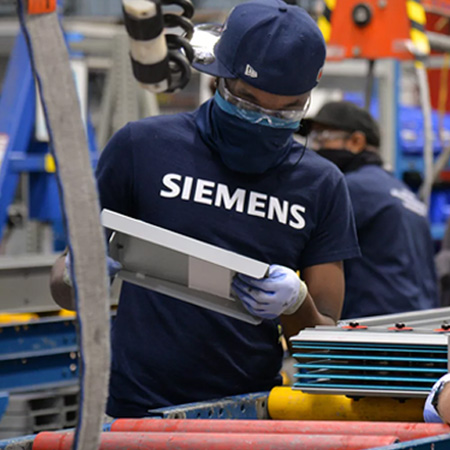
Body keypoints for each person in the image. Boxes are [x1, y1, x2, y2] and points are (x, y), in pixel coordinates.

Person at [50, 0, 360, 418]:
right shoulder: (142, 148)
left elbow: (323, 349)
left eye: (285, 110)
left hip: (244, 415)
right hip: (132, 412)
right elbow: (64, 288)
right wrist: (77, 273)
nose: (264, 121)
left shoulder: (322, 185)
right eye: (248, 103)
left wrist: (296, 301)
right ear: (219, 79)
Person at [300, 100, 439, 319]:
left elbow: (300, 242)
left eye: (322, 137)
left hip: (375, 331)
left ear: (356, 141)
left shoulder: (351, 188)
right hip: (418, 327)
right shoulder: (402, 191)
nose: (315, 147)